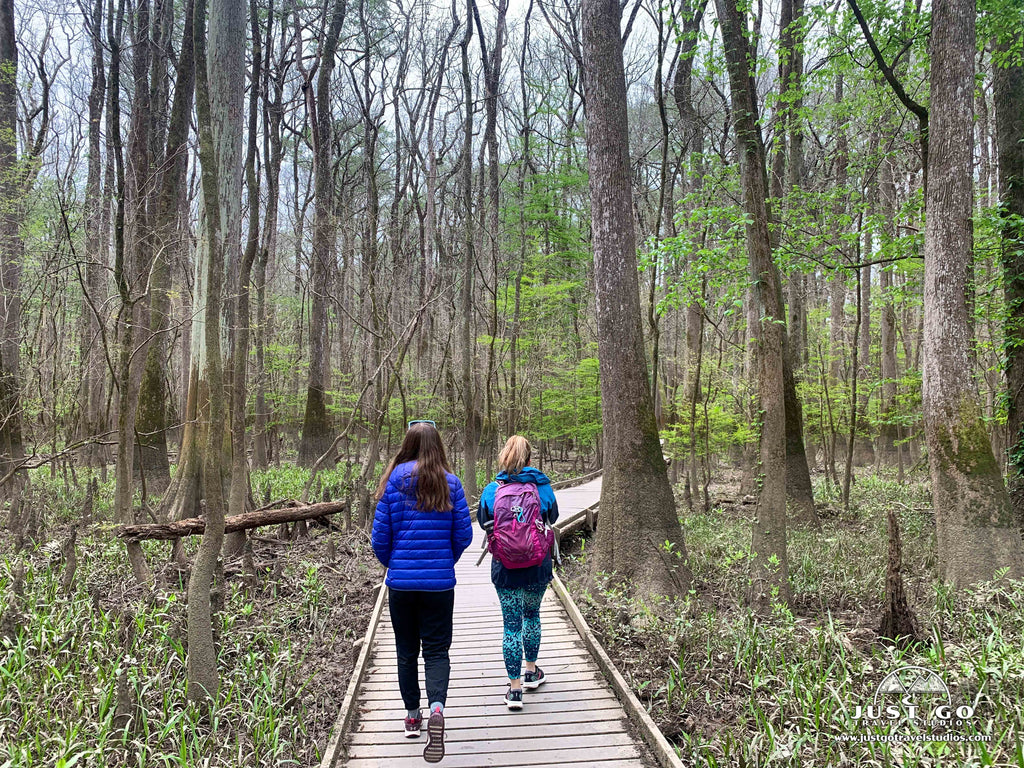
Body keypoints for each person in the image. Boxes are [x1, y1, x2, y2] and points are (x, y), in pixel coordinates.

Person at [372, 420, 473, 763]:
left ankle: (413, 717)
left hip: (401, 584)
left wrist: (395, 565)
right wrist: (446, 561)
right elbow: (463, 536)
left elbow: (379, 540)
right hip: (439, 585)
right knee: (436, 650)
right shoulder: (452, 483)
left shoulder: (392, 482)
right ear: (438, 446)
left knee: (405, 651)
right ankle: (438, 709)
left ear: (409, 444)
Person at [477, 435, 559, 710]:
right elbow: (553, 517)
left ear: (504, 458)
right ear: (529, 460)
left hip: (505, 568)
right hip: (537, 566)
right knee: (532, 615)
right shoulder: (542, 487)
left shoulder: (492, 490)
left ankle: (514, 690)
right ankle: (532, 671)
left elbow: (483, 523)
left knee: (511, 624)